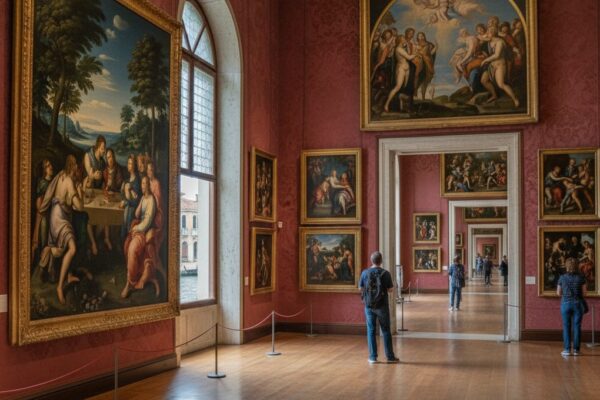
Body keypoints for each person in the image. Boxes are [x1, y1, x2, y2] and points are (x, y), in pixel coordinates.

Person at [359, 251, 399, 364]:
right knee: (386, 330)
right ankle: (390, 357)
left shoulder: (365, 273)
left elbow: (360, 288)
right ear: (381, 261)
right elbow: (390, 290)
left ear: (371, 260)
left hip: (369, 306)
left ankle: (373, 357)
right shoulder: (386, 273)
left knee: (371, 330)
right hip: (382, 306)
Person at [557, 257, 587, 356]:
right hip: (577, 304)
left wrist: (566, 295)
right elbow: (584, 293)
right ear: (577, 266)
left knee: (566, 326)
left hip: (565, 304)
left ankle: (566, 350)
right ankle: (576, 350)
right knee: (577, 327)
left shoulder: (562, 277)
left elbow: (558, 293)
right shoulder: (581, 277)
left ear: (566, 266)